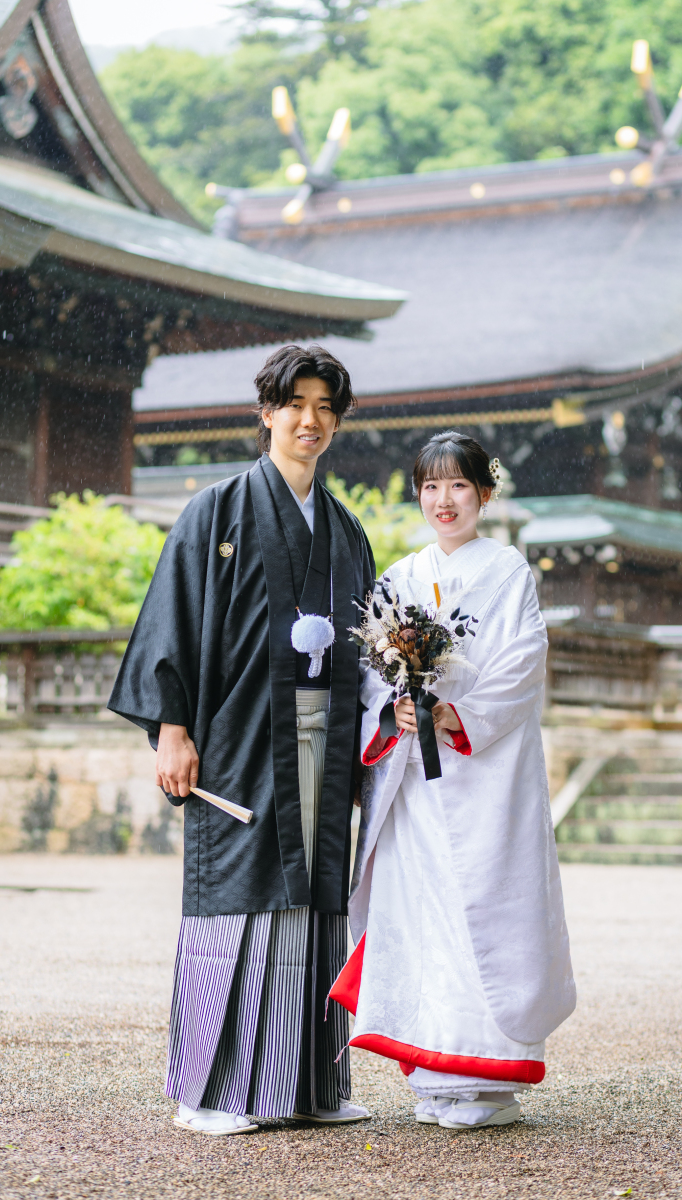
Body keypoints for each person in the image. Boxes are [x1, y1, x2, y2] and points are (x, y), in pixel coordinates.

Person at [108, 344, 375, 1135]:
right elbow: (173, 621)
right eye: (295, 404)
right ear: (267, 413)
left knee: (315, 904)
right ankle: (206, 1092)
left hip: (322, 743)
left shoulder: (346, 529)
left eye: (325, 408)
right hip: (240, 738)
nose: (310, 421)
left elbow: (369, 645)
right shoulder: (216, 512)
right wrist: (172, 728)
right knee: (236, 897)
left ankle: (308, 1087)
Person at [330, 430, 576, 1130]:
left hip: (484, 775)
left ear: (484, 494)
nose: (444, 500)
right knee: (420, 914)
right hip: (415, 783)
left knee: (484, 915)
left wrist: (454, 714)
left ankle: (486, 1082)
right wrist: (398, 707)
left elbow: (523, 662)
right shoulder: (399, 578)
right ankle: (433, 1075)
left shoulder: (508, 571)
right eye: (431, 486)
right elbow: (370, 674)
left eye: (459, 485)